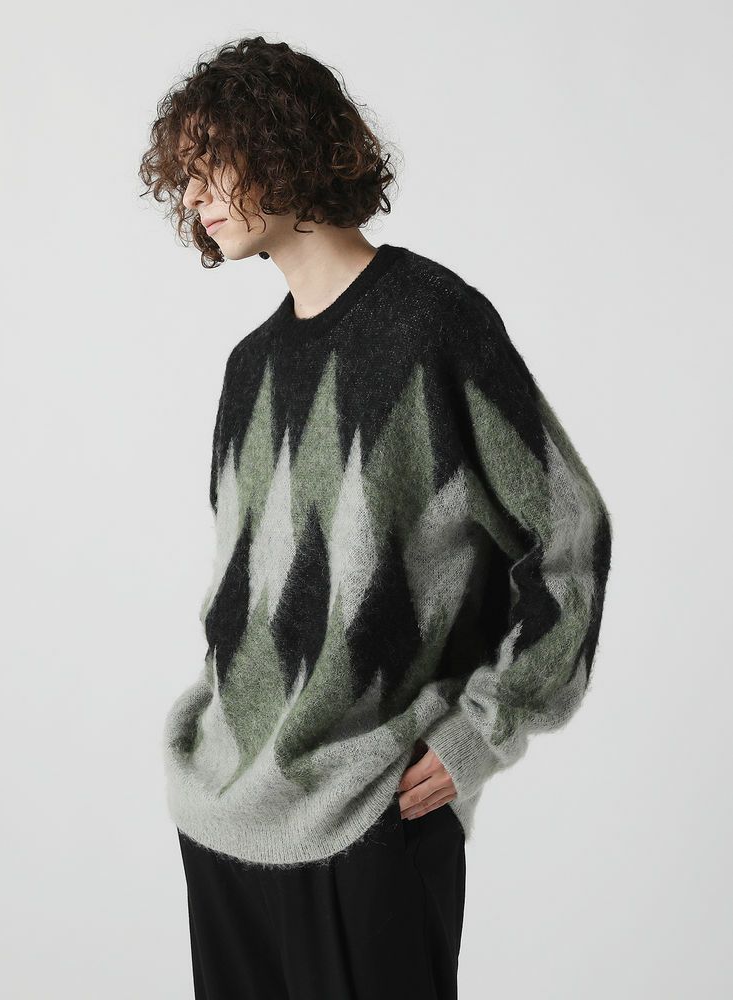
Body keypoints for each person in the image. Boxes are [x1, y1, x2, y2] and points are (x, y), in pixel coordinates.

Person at [139, 35, 612, 1000]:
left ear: (283, 145)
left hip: (369, 820)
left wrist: (480, 731)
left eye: (210, 161)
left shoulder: (431, 323)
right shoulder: (248, 370)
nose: (192, 195)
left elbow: (567, 535)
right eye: (182, 175)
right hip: (222, 821)